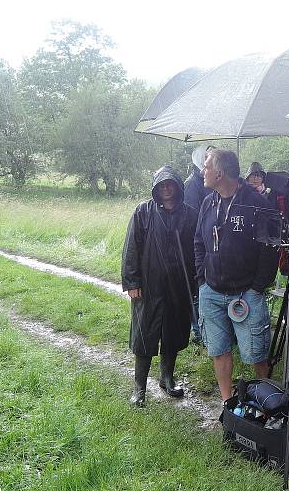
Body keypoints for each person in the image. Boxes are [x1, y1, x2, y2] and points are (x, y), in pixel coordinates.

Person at [194, 149, 279, 401]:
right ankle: (227, 403)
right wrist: (202, 278)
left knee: (256, 354)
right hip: (211, 290)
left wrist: (257, 287)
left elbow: (270, 248)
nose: (203, 172)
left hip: (246, 293)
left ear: (219, 173)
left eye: (206, 167)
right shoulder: (209, 201)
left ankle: (265, 403)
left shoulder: (257, 203)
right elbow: (199, 240)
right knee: (219, 351)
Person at [121, 166, 198, 406]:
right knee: (144, 335)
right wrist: (132, 282)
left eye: (170, 183)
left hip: (178, 286)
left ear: (177, 186)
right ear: (155, 188)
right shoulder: (143, 212)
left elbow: (197, 250)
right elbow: (131, 248)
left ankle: (167, 378)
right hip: (148, 286)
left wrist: (196, 283)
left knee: (173, 334)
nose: (166, 188)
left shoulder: (190, 214)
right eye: (161, 184)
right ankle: (139, 389)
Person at [184, 144, 214, 344]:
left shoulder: (207, 184)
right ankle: (199, 331)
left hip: (211, 244)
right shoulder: (192, 184)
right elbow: (192, 216)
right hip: (196, 243)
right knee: (197, 289)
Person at [184, 145, 213, 211]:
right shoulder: (191, 184)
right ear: (200, 158)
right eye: (207, 157)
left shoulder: (211, 179)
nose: (212, 161)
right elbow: (191, 215)